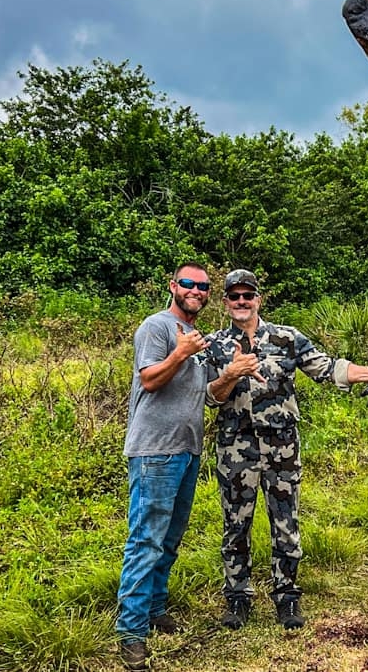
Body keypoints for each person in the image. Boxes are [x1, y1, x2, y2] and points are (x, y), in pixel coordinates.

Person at [205, 269, 368, 631]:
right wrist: (231, 373)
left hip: (281, 449)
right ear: (226, 302)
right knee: (235, 526)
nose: (242, 301)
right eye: (235, 296)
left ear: (259, 299)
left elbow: (328, 369)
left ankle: (287, 596)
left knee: (285, 523)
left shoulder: (287, 338)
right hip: (235, 450)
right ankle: (237, 598)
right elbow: (210, 398)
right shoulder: (215, 345)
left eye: (248, 295)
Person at [116, 262, 213, 671]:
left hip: (187, 450)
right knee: (146, 540)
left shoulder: (199, 339)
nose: (196, 290)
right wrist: (181, 351)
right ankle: (131, 631)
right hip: (155, 450)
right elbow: (150, 380)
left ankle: (155, 608)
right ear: (173, 286)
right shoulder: (156, 327)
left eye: (203, 286)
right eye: (188, 283)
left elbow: (203, 394)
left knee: (170, 538)